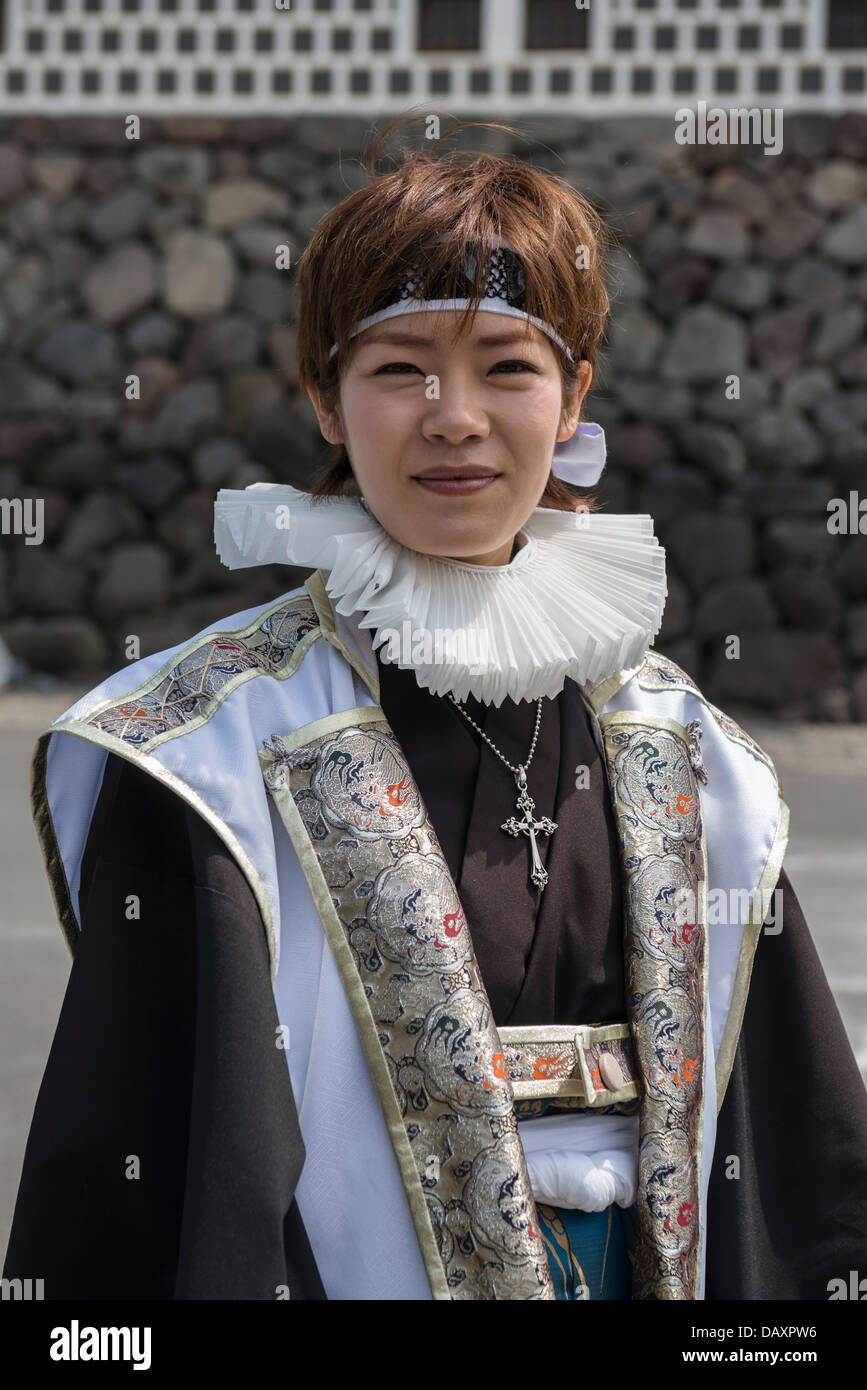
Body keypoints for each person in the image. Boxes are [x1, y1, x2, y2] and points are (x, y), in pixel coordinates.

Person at [4, 126, 866, 1302]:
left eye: (508, 367)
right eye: (399, 366)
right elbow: (150, 1174)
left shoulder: (693, 755)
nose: (453, 415)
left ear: (574, 399)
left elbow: (798, 1176)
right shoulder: (203, 753)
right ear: (323, 395)